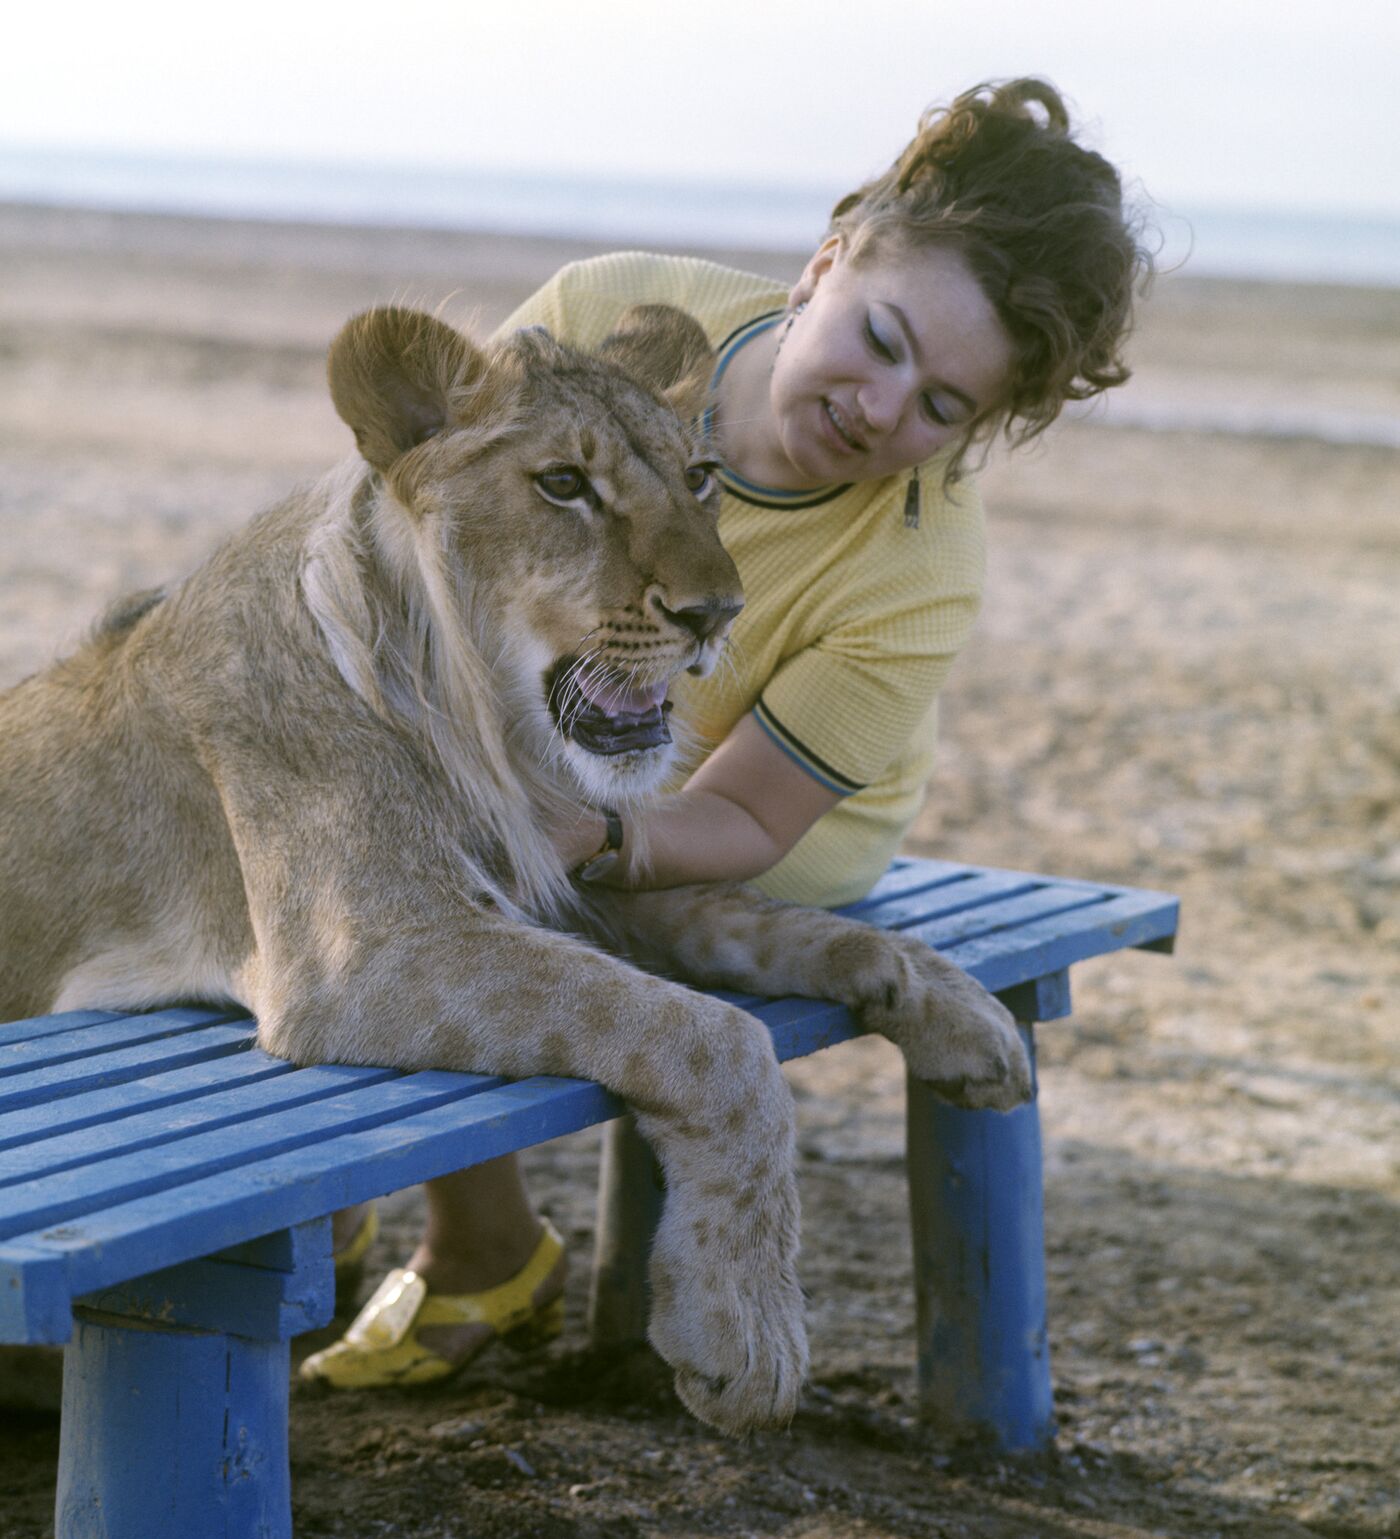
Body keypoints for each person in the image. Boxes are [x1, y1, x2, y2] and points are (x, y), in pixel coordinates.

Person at [300, 76, 1152, 1387]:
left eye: (941, 408)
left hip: (742, 818)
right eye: (879, 339)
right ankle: (354, 1201)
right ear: (825, 266)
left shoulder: (921, 566)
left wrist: (569, 825)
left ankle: (476, 1246)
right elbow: (429, 530)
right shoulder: (611, 311)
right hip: (556, 720)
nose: (884, 408)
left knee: (465, 889)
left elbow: (747, 815)